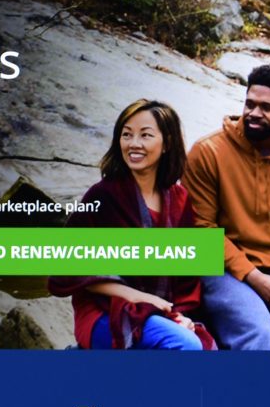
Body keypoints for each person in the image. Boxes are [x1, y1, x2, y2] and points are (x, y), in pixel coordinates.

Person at [49, 99, 214, 350]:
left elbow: (187, 278)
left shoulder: (180, 199)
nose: (134, 144)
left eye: (145, 135)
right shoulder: (102, 195)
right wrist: (137, 297)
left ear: (167, 142)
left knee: (205, 343)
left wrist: (179, 315)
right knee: (185, 345)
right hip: (105, 311)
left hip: (159, 311)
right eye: (126, 135)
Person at [181, 63, 270, 350]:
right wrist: (254, 277)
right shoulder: (208, 152)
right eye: (250, 104)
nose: (254, 113)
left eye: (266, 108)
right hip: (219, 267)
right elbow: (201, 229)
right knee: (257, 333)